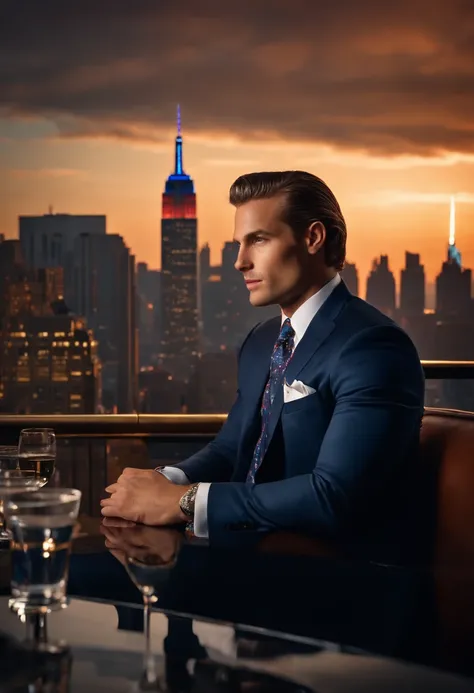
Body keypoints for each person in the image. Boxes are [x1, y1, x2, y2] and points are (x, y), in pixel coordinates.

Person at [101, 170, 425, 554]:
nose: (239, 261)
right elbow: (230, 449)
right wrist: (162, 481)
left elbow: (333, 496)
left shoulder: (373, 346)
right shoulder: (262, 340)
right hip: (244, 552)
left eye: (258, 240)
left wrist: (184, 501)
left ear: (313, 238)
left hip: (333, 579)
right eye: (239, 243)